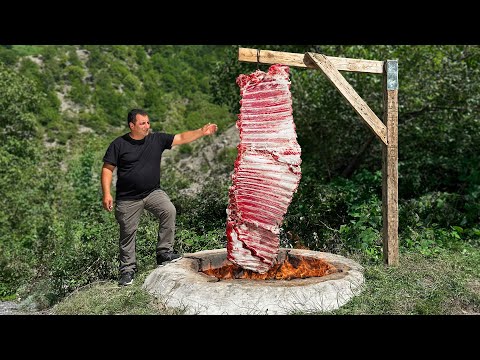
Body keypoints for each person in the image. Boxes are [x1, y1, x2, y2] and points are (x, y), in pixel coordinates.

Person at [101, 108, 218, 286]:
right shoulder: (119, 144)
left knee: (169, 210)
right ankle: (127, 270)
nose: (147, 126)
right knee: (127, 233)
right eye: (142, 123)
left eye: (148, 122)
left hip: (152, 192)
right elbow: (107, 169)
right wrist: (107, 193)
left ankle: (164, 253)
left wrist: (202, 132)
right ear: (132, 125)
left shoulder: (156, 139)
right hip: (128, 198)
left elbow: (181, 137)